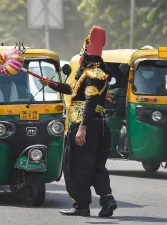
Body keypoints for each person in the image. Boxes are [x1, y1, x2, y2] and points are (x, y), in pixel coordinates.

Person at [40, 26, 117, 217]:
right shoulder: (93, 72)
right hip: (99, 126)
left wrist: (82, 128)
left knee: (76, 166)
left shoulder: (92, 74)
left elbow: (90, 101)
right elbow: (72, 90)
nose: (81, 55)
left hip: (84, 125)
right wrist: (50, 83)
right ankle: (107, 200)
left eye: (82, 51)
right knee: (97, 166)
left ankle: (81, 206)